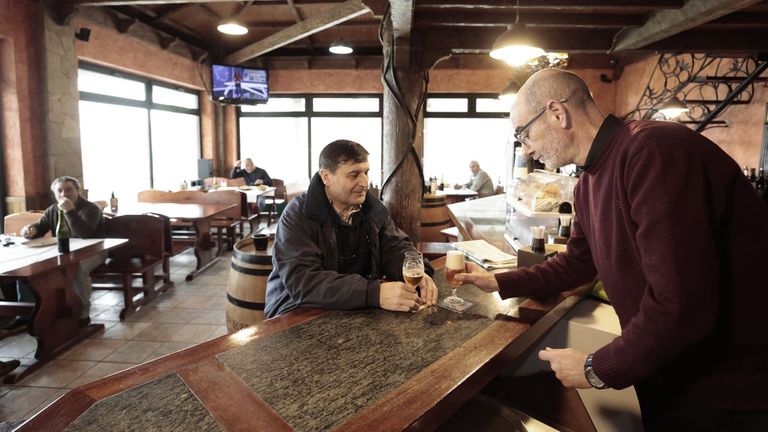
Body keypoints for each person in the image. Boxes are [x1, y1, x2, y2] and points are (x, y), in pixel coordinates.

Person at [457, 69, 768, 430]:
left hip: (731, 387)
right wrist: (499, 281)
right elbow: (576, 264)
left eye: (523, 133)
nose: (525, 147)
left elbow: (682, 304)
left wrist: (595, 368)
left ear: (557, 113)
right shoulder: (587, 184)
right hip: (669, 372)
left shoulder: (654, 151)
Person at [265, 139, 438, 318]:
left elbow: (395, 247)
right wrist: (373, 292)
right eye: (354, 175)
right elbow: (304, 282)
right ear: (326, 177)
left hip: (355, 306)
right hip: (295, 310)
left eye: (366, 172)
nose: (364, 183)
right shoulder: (298, 215)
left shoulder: (372, 209)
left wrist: (417, 271)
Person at [17, 176, 106, 327]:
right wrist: (30, 230)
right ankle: (29, 313)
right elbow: (40, 228)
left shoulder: (91, 208)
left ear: (78, 191)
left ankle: (83, 311)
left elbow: (84, 234)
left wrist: (70, 211)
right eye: (59, 191)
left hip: (94, 251)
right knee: (26, 267)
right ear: (55, 193)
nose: (64, 194)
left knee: (78, 268)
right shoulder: (52, 209)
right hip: (63, 251)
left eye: (69, 190)